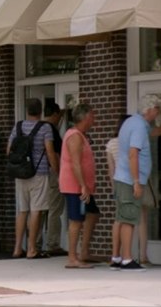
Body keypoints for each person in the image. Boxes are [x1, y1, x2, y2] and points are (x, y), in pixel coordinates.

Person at [113, 95, 161, 271]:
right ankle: (127, 259)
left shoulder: (133, 123)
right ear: (149, 110)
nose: (158, 113)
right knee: (128, 219)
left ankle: (118, 257)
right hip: (129, 180)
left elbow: (154, 132)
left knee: (123, 217)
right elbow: (133, 153)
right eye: (157, 109)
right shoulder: (139, 127)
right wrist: (136, 181)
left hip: (122, 178)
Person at [8, 98, 58, 260]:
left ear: (27, 110)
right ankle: (31, 249)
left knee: (22, 211)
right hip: (39, 173)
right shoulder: (45, 128)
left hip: (20, 174)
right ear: (41, 111)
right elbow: (50, 151)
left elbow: (9, 150)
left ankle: (17, 248)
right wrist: (57, 171)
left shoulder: (18, 126)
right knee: (36, 210)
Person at [59, 103, 100, 269]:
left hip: (84, 186)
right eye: (92, 115)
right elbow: (75, 164)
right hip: (74, 186)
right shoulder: (74, 136)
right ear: (85, 117)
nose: (94, 119)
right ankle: (72, 258)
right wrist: (83, 185)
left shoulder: (81, 135)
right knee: (76, 220)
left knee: (93, 213)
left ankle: (84, 252)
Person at [41, 101, 67, 256]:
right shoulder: (51, 130)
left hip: (37, 175)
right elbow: (54, 154)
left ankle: (35, 243)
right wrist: (59, 173)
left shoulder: (37, 127)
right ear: (55, 114)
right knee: (54, 210)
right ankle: (53, 244)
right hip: (51, 173)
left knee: (38, 210)